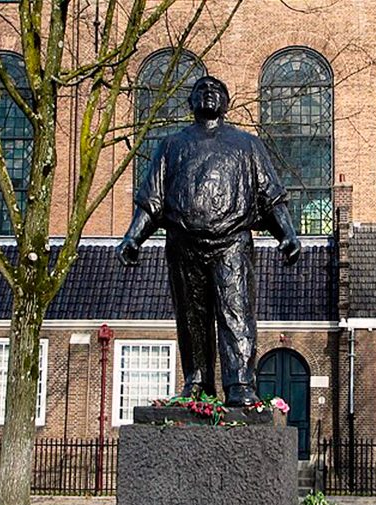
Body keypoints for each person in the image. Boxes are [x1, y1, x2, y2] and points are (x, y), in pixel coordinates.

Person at [118, 76, 302, 407]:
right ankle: (198, 382)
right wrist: (133, 238)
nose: (208, 94)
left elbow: (270, 195)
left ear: (227, 101)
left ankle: (240, 383)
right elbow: (151, 200)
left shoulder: (247, 145)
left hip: (231, 241)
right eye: (201, 90)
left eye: (216, 90)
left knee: (236, 312)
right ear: (190, 102)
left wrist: (287, 233)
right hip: (183, 242)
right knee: (191, 318)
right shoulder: (171, 146)